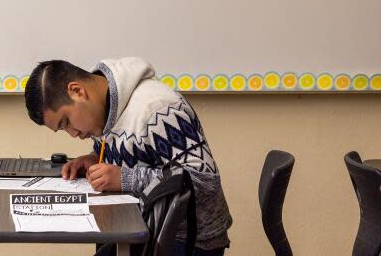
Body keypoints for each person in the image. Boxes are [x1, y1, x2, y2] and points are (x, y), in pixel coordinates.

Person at [24, 58, 232, 255]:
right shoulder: (103, 107)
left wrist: (126, 178)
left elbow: (204, 180)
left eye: (66, 122)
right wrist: (94, 157)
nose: (72, 133)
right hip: (136, 226)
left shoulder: (159, 109)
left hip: (186, 240)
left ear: (77, 91)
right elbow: (136, 152)